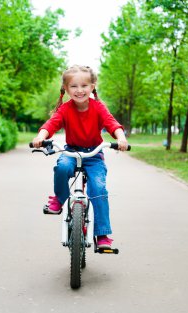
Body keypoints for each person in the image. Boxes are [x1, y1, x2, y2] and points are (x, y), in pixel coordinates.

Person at [32, 65, 128, 249]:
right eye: (74, 86)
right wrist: (40, 137)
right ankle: (60, 198)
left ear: (92, 86)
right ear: (66, 89)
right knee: (62, 168)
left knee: (98, 188)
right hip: (72, 151)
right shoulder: (65, 109)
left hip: (94, 153)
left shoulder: (98, 107)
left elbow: (112, 124)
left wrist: (121, 138)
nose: (79, 90)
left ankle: (102, 235)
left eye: (84, 85)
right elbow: (51, 124)